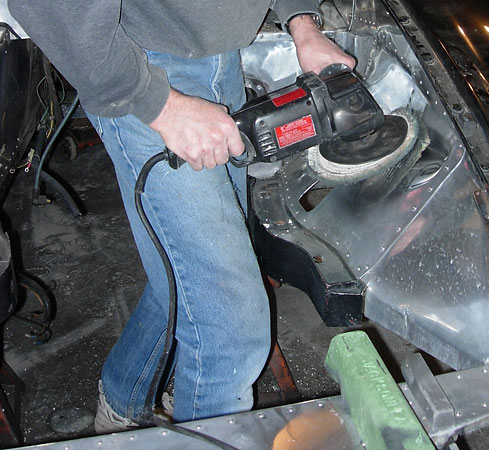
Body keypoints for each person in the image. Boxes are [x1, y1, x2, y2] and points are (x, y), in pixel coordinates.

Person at [8, 0, 355, 433]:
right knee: (230, 333)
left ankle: (122, 401)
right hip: (140, 71)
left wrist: (302, 22)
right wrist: (160, 105)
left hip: (220, 59)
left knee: (187, 276)